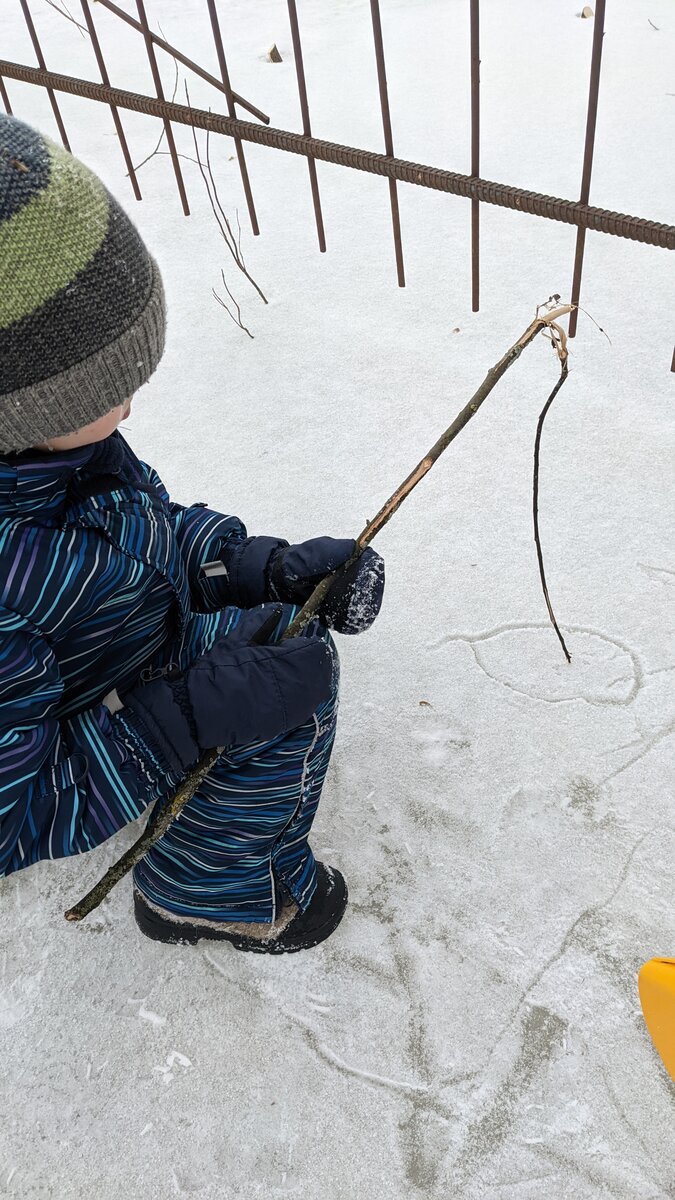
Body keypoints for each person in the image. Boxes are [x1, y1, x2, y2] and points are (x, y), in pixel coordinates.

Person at [0, 113, 384, 953]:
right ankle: (208, 893)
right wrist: (175, 720)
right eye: (108, 386)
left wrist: (254, 568)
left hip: (90, 668)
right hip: (64, 728)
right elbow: (12, 817)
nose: (131, 402)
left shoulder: (57, 456)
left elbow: (137, 538)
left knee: (276, 640)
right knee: (278, 689)